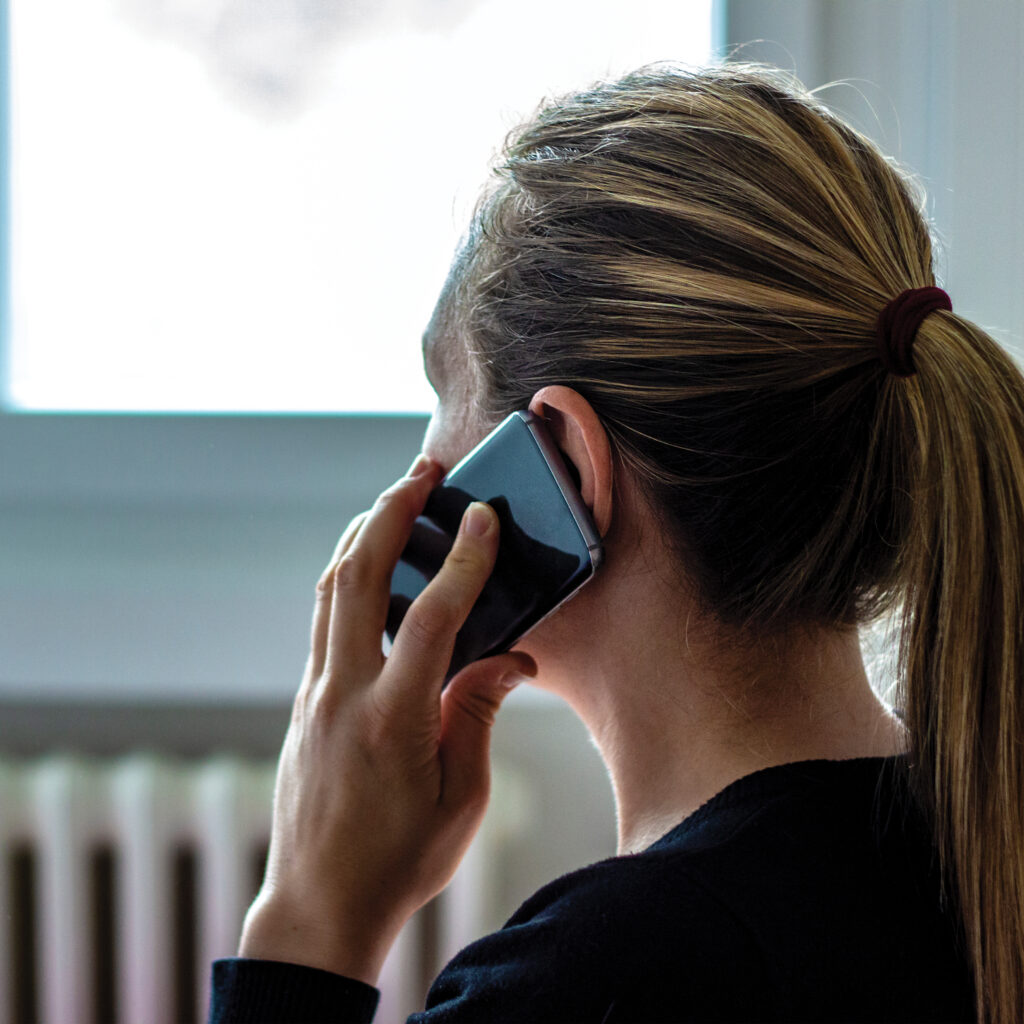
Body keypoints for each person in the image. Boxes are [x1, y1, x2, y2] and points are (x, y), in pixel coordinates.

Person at [207, 63, 1024, 1022]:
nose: (423, 462)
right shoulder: (985, 858)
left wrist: (309, 917)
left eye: (443, 393)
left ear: (566, 463)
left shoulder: (598, 979)